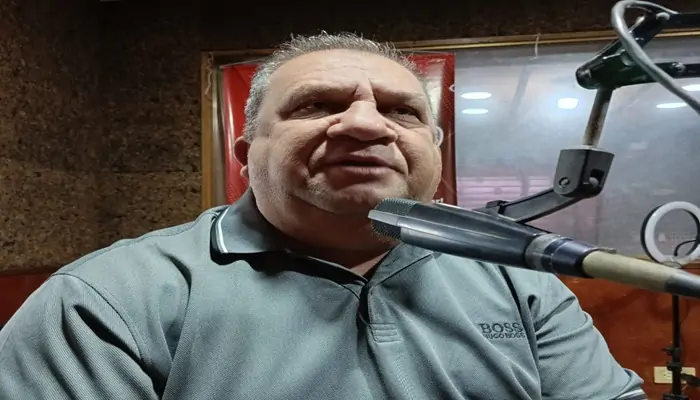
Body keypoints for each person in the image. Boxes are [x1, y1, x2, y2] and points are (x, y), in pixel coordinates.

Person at [0, 32, 647, 400]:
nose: (366, 124)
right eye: (318, 105)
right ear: (247, 155)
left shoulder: (518, 278)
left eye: (401, 111)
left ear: (434, 152)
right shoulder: (106, 301)